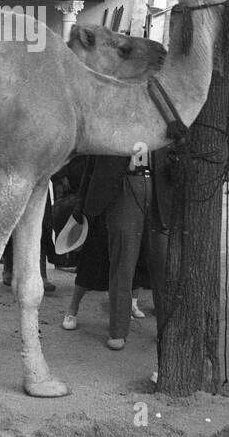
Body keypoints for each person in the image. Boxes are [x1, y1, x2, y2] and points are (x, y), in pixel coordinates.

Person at [64, 147, 170, 350]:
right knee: (123, 261)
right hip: (123, 184)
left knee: (162, 265)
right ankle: (118, 330)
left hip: (158, 186)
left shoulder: (164, 116)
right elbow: (92, 162)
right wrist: (82, 201)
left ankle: (166, 331)